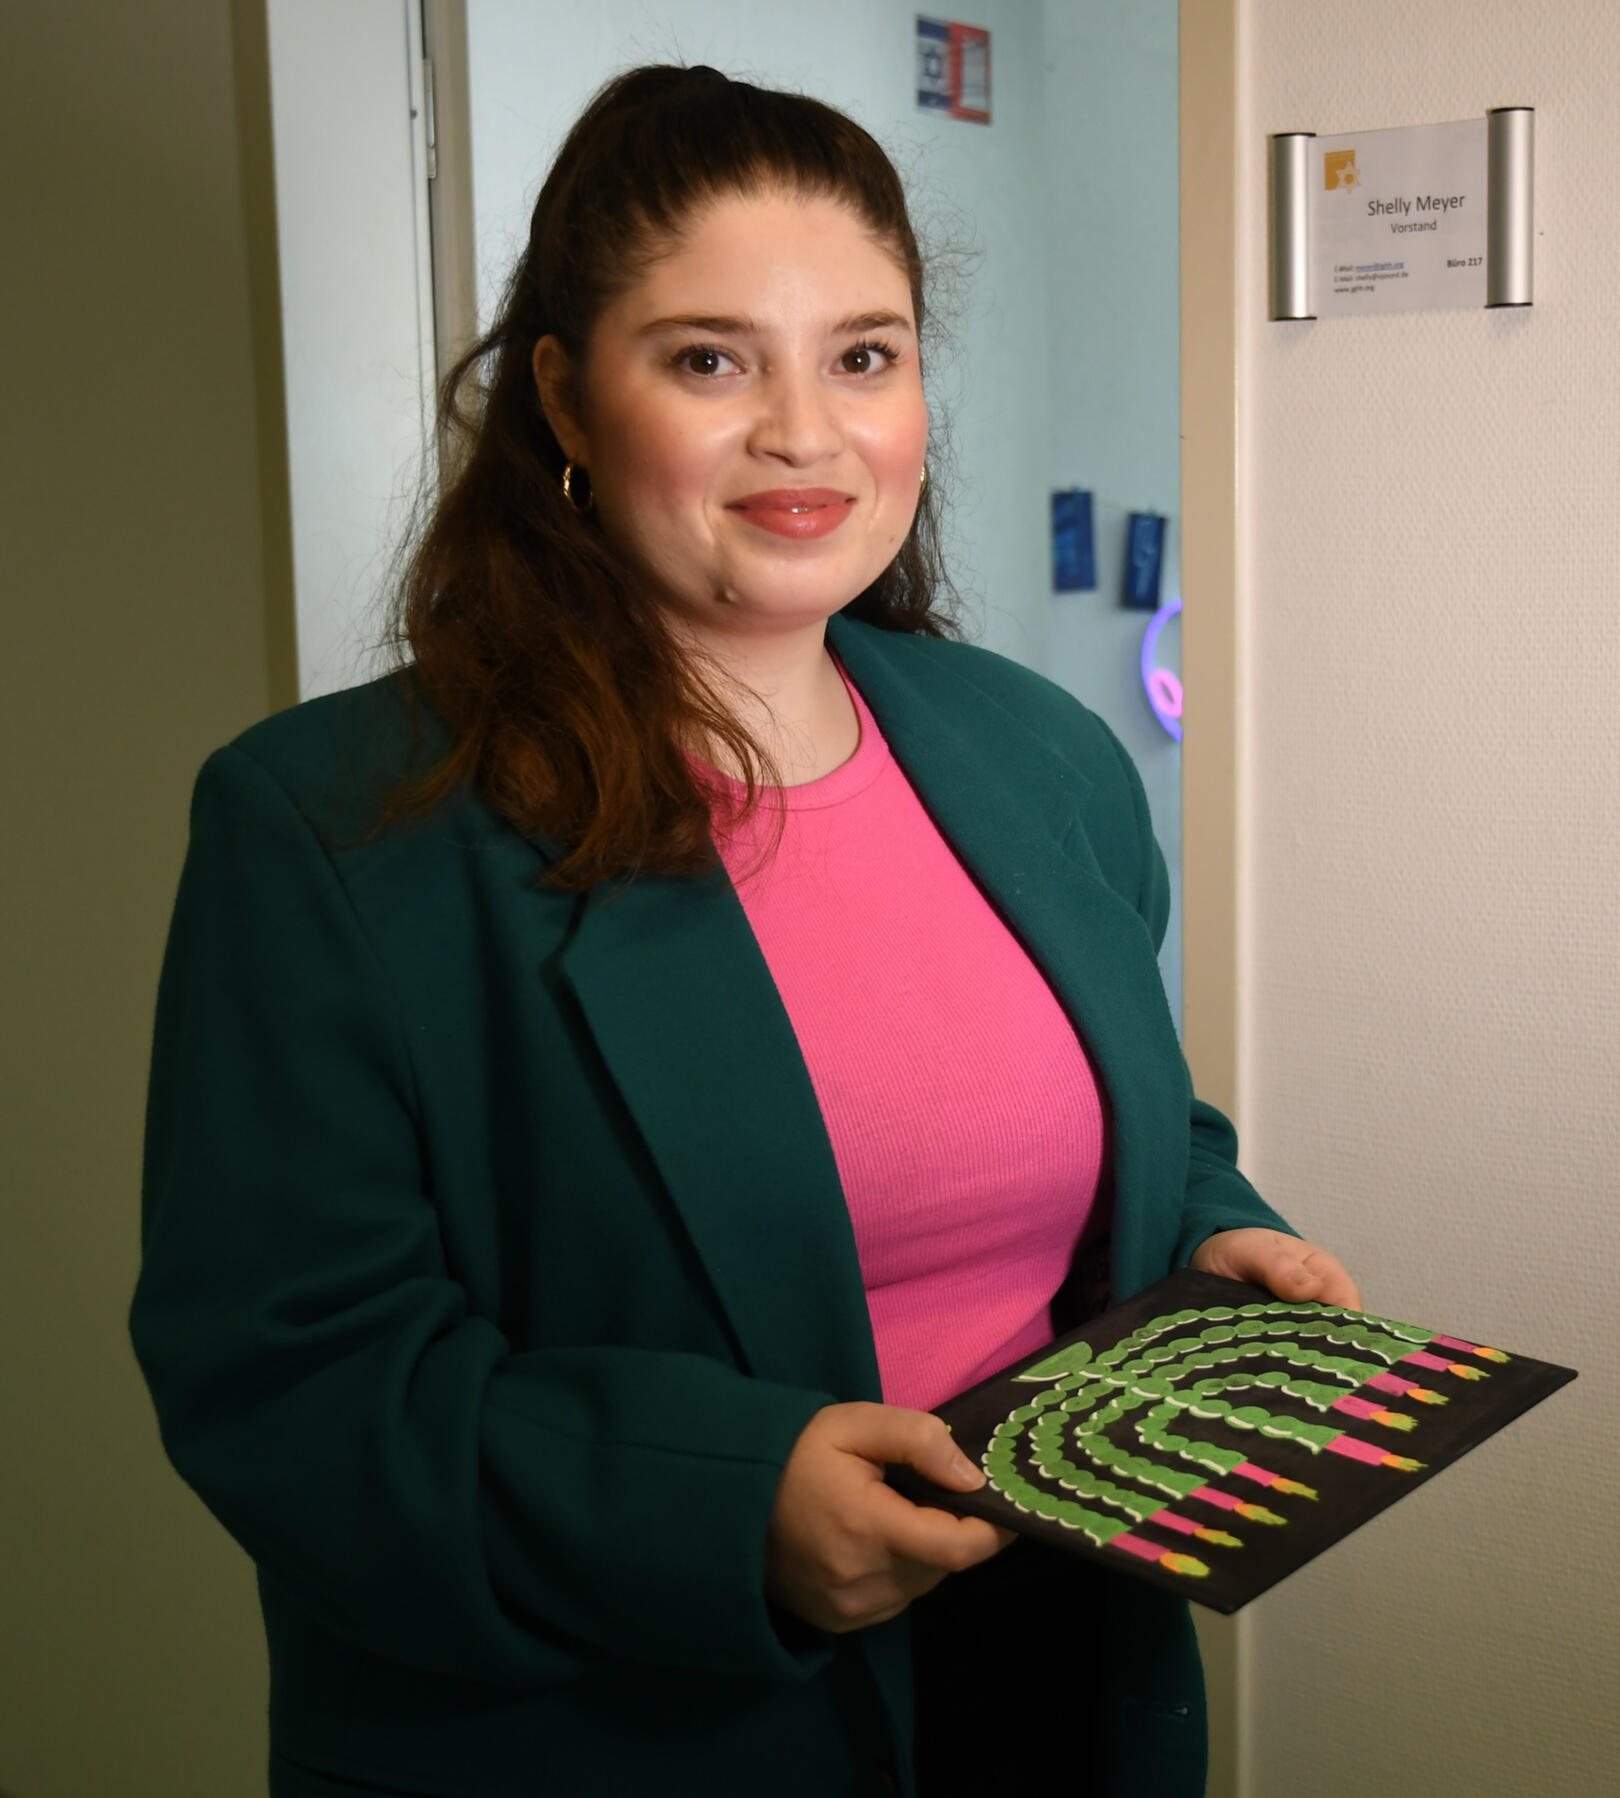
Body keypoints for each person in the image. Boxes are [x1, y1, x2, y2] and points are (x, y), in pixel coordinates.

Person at [131, 64, 1360, 1798]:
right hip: (633, 1726)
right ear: (564, 394)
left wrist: (1208, 1241)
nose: (806, 431)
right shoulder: (333, 826)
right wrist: (719, 1508)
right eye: (711, 359)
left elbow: (1128, 1129)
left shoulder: (1041, 754)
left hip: (1057, 1679)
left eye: (864, 355)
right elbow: (287, 1378)